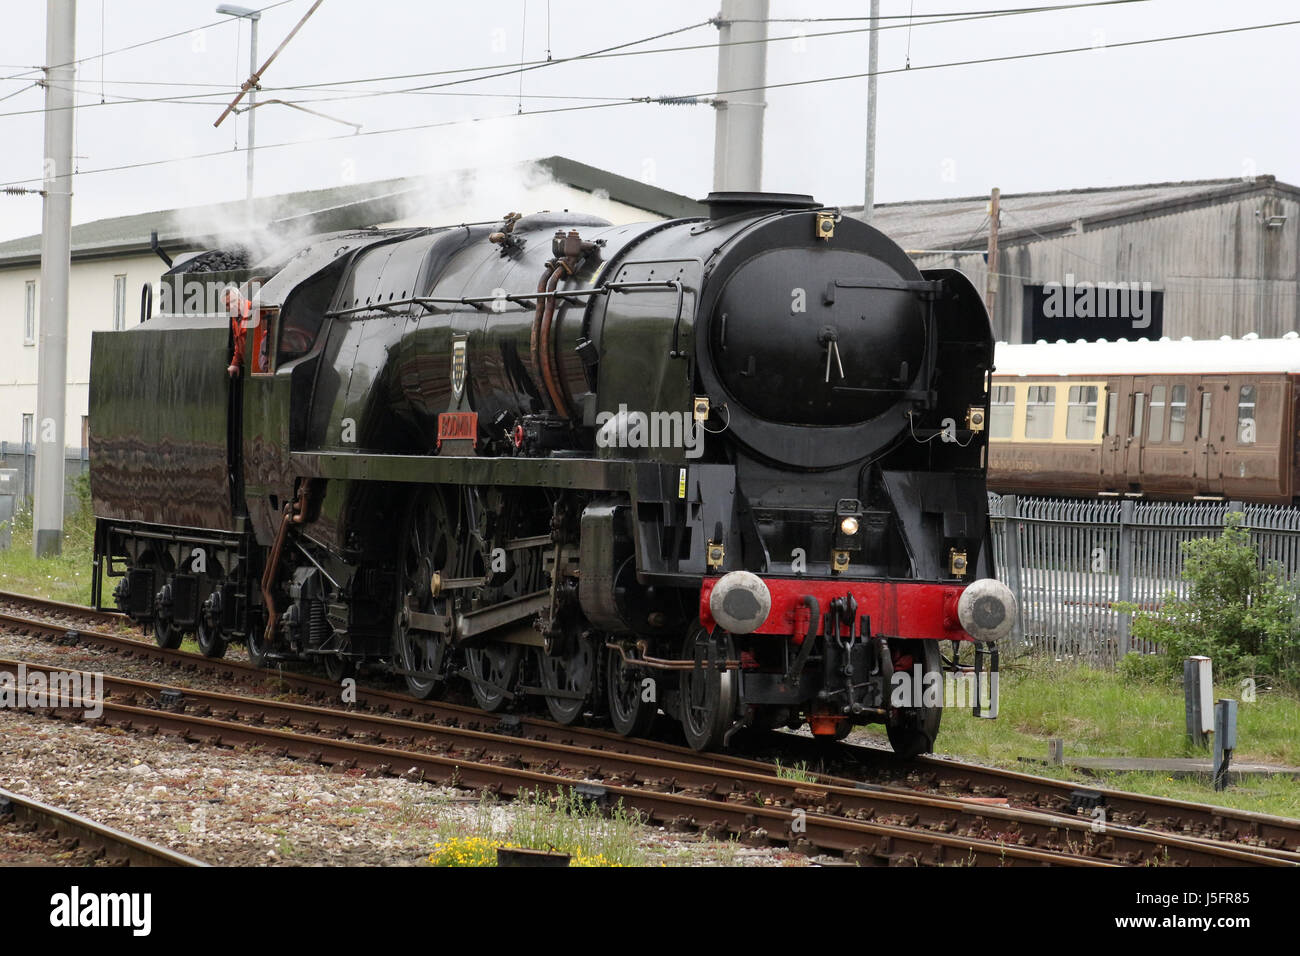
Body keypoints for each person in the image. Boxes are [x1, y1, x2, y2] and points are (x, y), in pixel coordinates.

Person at [224, 288, 251, 377]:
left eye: (233, 301)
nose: (231, 306)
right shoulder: (235, 317)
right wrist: (235, 363)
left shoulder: (254, 311)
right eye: (227, 305)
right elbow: (238, 342)